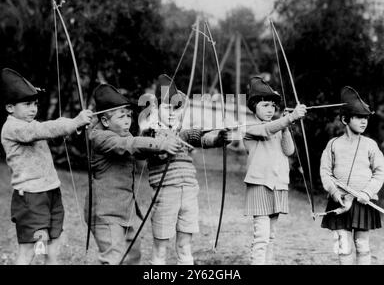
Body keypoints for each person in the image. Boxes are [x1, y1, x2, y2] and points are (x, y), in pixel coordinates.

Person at [0, 68, 93, 265]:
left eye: (35, 103)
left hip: (51, 191)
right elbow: (44, 129)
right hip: (31, 197)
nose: (33, 108)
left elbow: (51, 129)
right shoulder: (13, 127)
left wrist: (75, 125)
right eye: (27, 104)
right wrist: (74, 121)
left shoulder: (30, 124)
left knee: (53, 244)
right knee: (29, 251)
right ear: (10, 108)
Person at [85, 83, 181, 265]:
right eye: (121, 117)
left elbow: (138, 148)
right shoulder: (99, 137)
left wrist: (160, 148)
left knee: (133, 257)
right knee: (114, 259)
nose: (128, 120)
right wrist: (160, 144)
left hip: (127, 212)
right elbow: (129, 145)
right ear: (105, 121)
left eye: (129, 116)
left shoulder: (125, 134)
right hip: (105, 214)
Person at [141, 74, 231, 265]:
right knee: (161, 248)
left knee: (184, 246)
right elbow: (146, 149)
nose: (173, 112)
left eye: (177, 108)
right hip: (165, 194)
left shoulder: (183, 133)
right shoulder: (150, 133)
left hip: (189, 192)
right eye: (167, 107)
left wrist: (219, 139)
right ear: (156, 109)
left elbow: (202, 139)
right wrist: (163, 144)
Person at [243, 76, 307, 265]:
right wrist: (289, 118)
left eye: (272, 105)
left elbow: (289, 151)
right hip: (260, 185)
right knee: (261, 237)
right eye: (265, 105)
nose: (270, 109)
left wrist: (287, 127)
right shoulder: (250, 127)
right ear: (253, 107)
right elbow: (266, 130)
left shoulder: (278, 127)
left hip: (278, 186)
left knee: (271, 237)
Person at [320, 86, 384, 265]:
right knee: (344, 246)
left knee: (363, 247)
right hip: (340, 201)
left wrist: (367, 193)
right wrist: (334, 193)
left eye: (366, 118)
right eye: (359, 117)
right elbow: (325, 172)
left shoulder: (370, 145)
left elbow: (380, 172)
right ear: (345, 119)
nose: (364, 122)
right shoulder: (333, 144)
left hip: (363, 202)